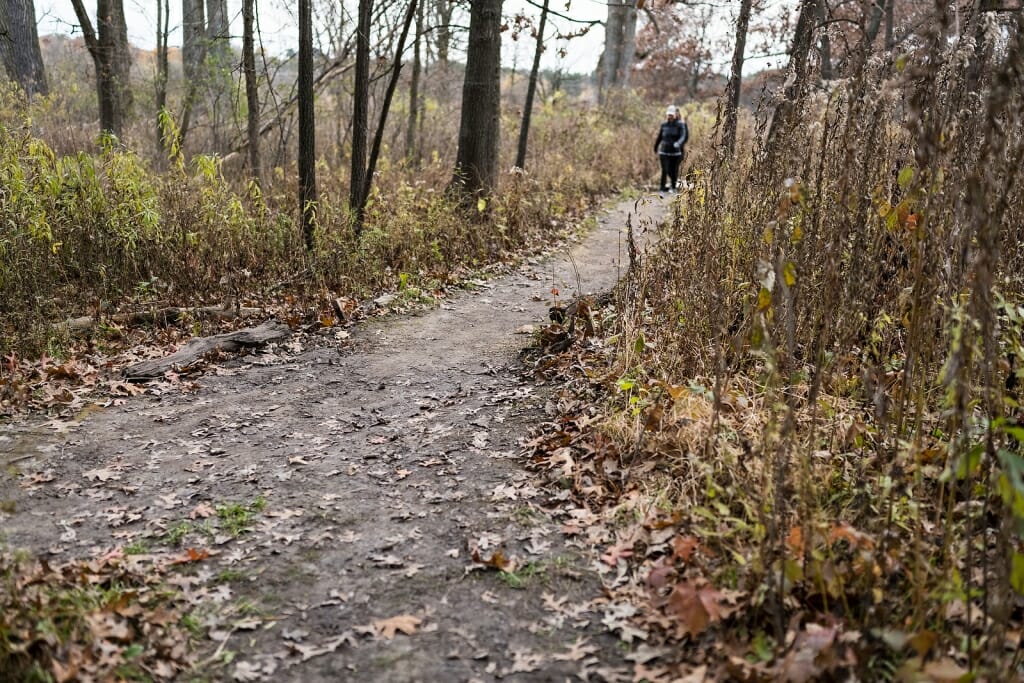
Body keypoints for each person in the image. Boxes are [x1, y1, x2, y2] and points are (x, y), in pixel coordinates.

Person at [654, 105, 688, 195]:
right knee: (665, 170)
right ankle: (662, 189)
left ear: (675, 115)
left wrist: (678, 143)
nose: (670, 117)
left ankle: (673, 187)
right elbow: (660, 137)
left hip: (675, 153)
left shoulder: (681, 124)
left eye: (671, 115)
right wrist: (656, 146)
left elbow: (683, 136)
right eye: (668, 115)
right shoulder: (664, 125)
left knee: (674, 170)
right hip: (664, 151)